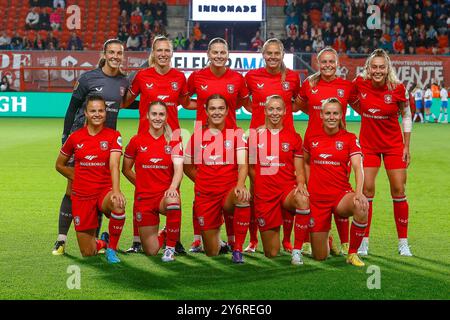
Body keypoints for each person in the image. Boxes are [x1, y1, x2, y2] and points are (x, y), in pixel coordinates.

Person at [52, 39, 131, 256]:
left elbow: (129, 103)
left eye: (119, 53)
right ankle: (61, 239)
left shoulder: (124, 82)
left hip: (106, 144)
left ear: (123, 56)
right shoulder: (88, 78)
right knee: (73, 189)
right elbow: (71, 109)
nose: (115, 56)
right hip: (82, 142)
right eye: (112, 52)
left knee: (98, 190)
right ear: (104, 53)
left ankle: (96, 239)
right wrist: (65, 138)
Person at [123, 35, 189, 254]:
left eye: (167, 50)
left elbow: (186, 102)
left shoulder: (179, 77)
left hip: (172, 138)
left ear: (172, 53)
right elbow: (125, 101)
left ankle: (174, 239)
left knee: (174, 189)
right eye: (159, 50)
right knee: (141, 189)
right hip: (145, 138)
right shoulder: (142, 76)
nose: (163, 54)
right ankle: (136, 240)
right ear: (153, 52)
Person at [185, 37, 249, 253]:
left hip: (229, 136)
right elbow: (185, 101)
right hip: (203, 134)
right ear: (208, 54)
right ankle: (198, 238)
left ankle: (233, 241)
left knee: (233, 190)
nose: (219, 56)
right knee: (201, 193)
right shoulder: (196, 76)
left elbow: (241, 102)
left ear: (228, 55)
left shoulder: (237, 79)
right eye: (215, 52)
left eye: (223, 52)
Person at [294, 47, 357, 256]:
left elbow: (362, 103)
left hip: (339, 149)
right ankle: (311, 239)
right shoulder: (309, 84)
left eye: (332, 62)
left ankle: (346, 243)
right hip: (313, 148)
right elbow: (302, 106)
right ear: (317, 64)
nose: (328, 65)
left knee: (339, 193)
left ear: (337, 64)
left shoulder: (347, 86)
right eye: (324, 62)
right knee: (310, 194)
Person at [352, 49, 413, 257]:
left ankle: (403, 242)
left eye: (381, 67)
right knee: (366, 190)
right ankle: (363, 241)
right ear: (368, 68)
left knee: (398, 189)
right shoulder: (360, 84)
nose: (378, 70)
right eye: (374, 67)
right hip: (368, 146)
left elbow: (406, 115)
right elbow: (348, 98)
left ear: (388, 68)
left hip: (393, 146)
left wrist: (406, 145)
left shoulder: (397, 88)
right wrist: (363, 112)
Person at [244, 38, 301, 254]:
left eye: (277, 53)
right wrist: (259, 118)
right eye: (269, 53)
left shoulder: (293, 78)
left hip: (284, 140)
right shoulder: (251, 76)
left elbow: (300, 102)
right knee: (255, 191)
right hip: (258, 141)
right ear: (262, 54)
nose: (273, 57)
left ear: (283, 54)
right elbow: (243, 101)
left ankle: (287, 239)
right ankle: (253, 240)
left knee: (286, 188)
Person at [55, 95, 126, 264]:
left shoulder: (113, 135)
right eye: (93, 110)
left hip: (104, 191)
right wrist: (79, 177)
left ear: (105, 113)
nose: (97, 114)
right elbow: (59, 165)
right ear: (86, 113)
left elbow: (114, 165)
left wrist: (116, 191)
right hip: (81, 195)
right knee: (88, 252)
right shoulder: (75, 137)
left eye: (101, 110)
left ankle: (111, 249)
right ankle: (103, 241)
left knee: (118, 204)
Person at [183, 94, 251, 263]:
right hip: (205, 195)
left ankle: (237, 249)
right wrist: (202, 180)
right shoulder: (197, 136)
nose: (217, 112)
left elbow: (243, 164)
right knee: (211, 252)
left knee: (242, 197)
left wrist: (241, 185)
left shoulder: (237, 133)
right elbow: (187, 166)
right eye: (212, 108)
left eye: (221, 108)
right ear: (205, 111)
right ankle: (220, 243)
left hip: (228, 191)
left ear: (227, 110)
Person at [304, 98, 368, 267]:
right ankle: (328, 238)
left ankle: (352, 253)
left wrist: (359, 192)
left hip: (340, 196)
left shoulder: (349, 138)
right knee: (320, 256)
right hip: (317, 199)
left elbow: (358, 166)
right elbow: (305, 162)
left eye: (335, 113)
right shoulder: (311, 137)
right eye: (327, 113)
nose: (331, 117)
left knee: (362, 205)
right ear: (321, 115)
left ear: (341, 115)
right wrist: (305, 185)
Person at [249, 95, 310, 265]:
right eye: (271, 109)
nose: (274, 113)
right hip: (265, 194)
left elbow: (299, 169)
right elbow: (251, 168)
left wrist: (301, 184)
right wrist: (261, 184)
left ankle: (297, 251)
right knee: (271, 253)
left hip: (287, 190)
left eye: (278, 109)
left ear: (284, 112)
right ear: (265, 111)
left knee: (303, 199)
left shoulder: (294, 137)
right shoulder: (254, 136)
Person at [122, 101, 184, 262]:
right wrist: (142, 184)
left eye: (161, 114)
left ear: (166, 117)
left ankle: (170, 249)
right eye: (154, 114)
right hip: (145, 200)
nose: (158, 118)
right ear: (147, 116)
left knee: (173, 200)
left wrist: (172, 187)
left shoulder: (174, 141)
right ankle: (164, 233)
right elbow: (126, 169)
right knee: (151, 251)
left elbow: (179, 170)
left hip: (164, 196)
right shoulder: (136, 141)